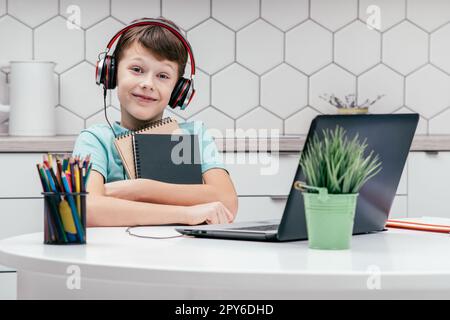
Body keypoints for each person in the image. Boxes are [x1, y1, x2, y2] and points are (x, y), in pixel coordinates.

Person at [72, 18, 238, 227]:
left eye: (163, 75)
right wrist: (187, 213)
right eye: (137, 69)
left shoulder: (193, 136)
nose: (148, 84)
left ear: (179, 90)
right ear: (111, 73)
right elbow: (87, 209)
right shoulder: (95, 140)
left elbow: (227, 201)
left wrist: (138, 189)